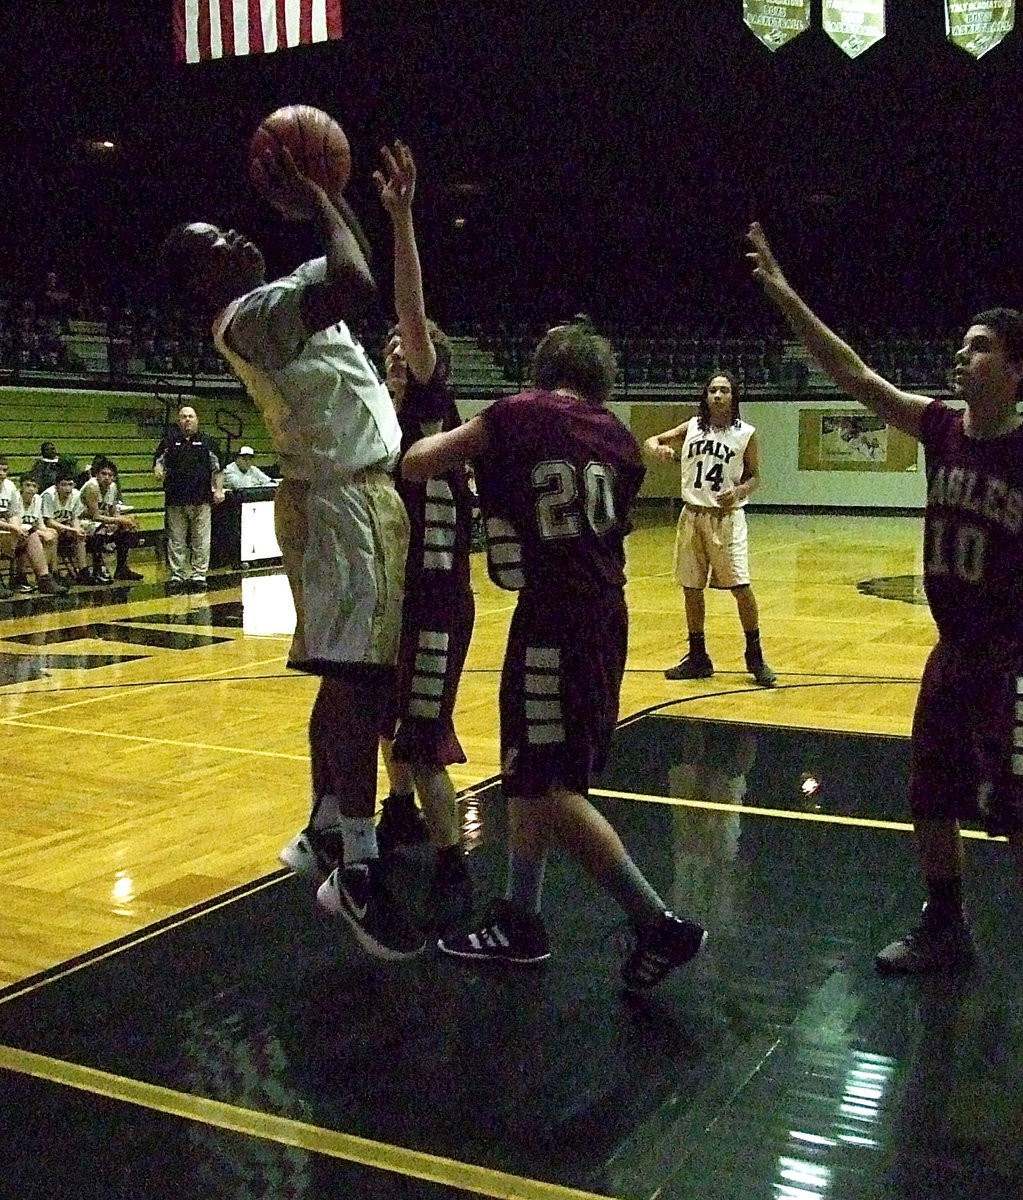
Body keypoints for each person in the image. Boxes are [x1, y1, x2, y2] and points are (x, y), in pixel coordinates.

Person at [161, 137, 420, 960]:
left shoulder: (271, 297)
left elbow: (357, 260)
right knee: (357, 679)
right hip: (345, 501)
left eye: (228, 234)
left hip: (337, 497)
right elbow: (354, 279)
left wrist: (349, 201)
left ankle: (321, 830)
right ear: (197, 284)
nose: (233, 240)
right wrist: (316, 195)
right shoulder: (251, 315)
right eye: (212, 247)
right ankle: (356, 866)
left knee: (345, 674)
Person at [748, 220, 1023, 975]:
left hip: (1013, 663)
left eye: (978, 349)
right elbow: (855, 375)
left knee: (1014, 813)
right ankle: (946, 927)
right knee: (929, 794)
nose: (960, 358)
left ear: (1016, 371)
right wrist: (784, 296)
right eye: (961, 347)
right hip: (953, 653)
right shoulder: (940, 427)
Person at [402, 321, 707, 992]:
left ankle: (656, 921)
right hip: (605, 615)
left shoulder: (517, 413)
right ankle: (521, 914)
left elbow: (422, 461)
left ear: (543, 369)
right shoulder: (620, 440)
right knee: (530, 770)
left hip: (552, 619)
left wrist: (411, 432)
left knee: (550, 783)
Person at [374, 141, 475, 930]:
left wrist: (401, 219)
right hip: (391, 594)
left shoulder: (430, 402)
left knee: (420, 727)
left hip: (438, 594)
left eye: (406, 354)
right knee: (387, 719)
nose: (397, 361)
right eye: (387, 358)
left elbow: (410, 313)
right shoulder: (373, 423)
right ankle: (398, 812)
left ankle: (453, 865)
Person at [644, 373, 776, 687]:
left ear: (734, 397)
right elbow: (652, 441)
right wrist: (659, 450)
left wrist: (740, 491)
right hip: (692, 515)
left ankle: (754, 655)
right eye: (712, 390)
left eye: (724, 390)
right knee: (691, 589)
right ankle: (698, 656)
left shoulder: (746, 434)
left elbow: (755, 477)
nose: (717, 395)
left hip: (727, 518)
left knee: (740, 586)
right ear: (705, 396)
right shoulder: (691, 426)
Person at [153, 405, 225, 591]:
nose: (187, 420)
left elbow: (218, 468)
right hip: (175, 498)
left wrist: (218, 490)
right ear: (178, 420)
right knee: (176, 539)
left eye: (190, 416)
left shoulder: (208, 442)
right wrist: (158, 470)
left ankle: (199, 575)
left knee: (201, 539)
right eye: (183, 416)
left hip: (201, 498)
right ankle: (178, 575)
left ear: (197, 419)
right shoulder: (169, 441)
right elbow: (158, 462)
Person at [0, 462, 63, 596]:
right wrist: (13, 527)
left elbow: (13, 514)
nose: (1, 474)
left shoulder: (9, 486)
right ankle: (19, 576)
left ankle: (44, 578)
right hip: (4, 529)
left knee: (31, 534)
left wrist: (17, 529)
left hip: (6, 529)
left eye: (4, 470)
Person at [80, 457, 142, 583]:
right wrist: (118, 521)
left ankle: (122, 568)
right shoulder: (92, 487)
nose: (107, 477)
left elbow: (113, 512)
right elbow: (95, 516)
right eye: (103, 474)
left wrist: (126, 520)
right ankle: (98, 568)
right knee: (100, 528)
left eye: (110, 475)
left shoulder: (112, 487)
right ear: (96, 474)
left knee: (127, 526)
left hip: (102, 520)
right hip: (82, 520)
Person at [41, 466, 92, 584]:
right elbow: (49, 521)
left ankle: (83, 571)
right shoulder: (49, 495)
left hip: (65, 526)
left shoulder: (76, 494)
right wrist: (71, 529)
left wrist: (77, 529)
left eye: (70, 484)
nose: (68, 488)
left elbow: (75, 517)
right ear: (56, 485)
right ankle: (54, 572)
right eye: (64, 485)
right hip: (49, 527)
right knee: (53, 534)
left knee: (81, 535)